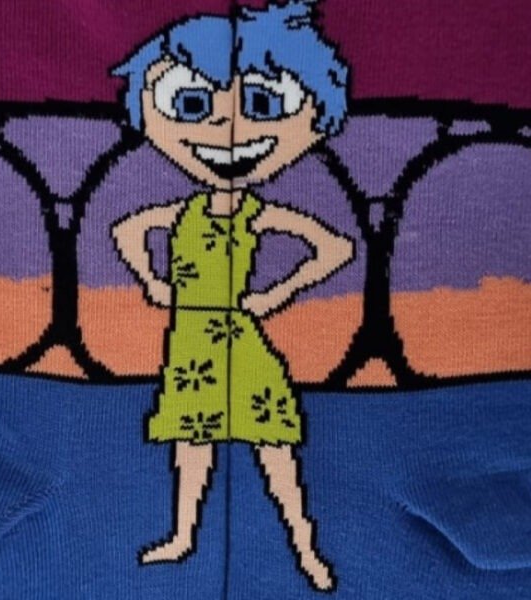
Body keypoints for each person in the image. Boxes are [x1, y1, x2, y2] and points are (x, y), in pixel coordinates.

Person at [111, 1, 354, 591]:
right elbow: (126, 230)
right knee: (191, 444)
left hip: (238, 336)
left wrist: (277, 293)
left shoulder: (255, 212)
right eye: (192, 105)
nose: (225, 126)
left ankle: (305, 545)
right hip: (190, 337)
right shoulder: (184, 211)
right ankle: (183, 536)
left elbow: (335, 246)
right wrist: (152, 281)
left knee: (274, 443)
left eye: (263, 104)